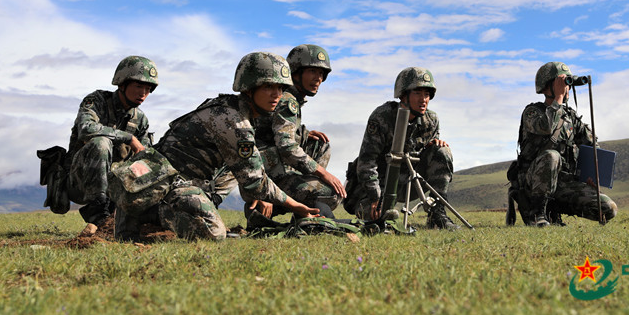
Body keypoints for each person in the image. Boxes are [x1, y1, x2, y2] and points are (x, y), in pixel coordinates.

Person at [141, 52, 319, 241]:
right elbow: (255, 181)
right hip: (164, 186)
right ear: (250, 88)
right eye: (268, 86)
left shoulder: (235, 110)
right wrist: (296, 206)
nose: (277, 94)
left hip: (184, 180)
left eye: (281, 88)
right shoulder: (234, 121)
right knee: (214, 233)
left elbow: (249, 171)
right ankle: (149, 215)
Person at [344, 67, 459, 230]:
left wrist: (436, 147)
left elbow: (431, 151)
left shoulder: (431, 120)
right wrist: (375, 196)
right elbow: (367, 161)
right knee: (377, 221)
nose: (423, 99)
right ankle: (377, 206)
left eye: (427, 94)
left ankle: (437, 214)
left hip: (411, 182)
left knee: (443, 151)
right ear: (403, 95)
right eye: (418, 93)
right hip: (381, 183)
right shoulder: (382, 117)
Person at [510, 61, 618, 227]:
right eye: (561, 83)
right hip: (533, 185)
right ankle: (538, 214)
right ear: (547, 86)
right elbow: (546, 127)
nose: (567, 88)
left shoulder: (570, 117)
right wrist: (558, 99)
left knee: (608, 208)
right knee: (552, 156)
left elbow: (592, 145)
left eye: (567, 84)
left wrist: (593, 175)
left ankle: (554, 213)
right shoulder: (532, 112)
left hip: (562, 185)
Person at [67, 55, 158, 236]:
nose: (143, 94)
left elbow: (145, 156)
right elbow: (86, 129)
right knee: (101, 142)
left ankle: (122, 217)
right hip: (80, 179)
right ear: (122, 84)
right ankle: (98, 213)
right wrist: (128, 138)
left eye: (148, 89)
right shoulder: (96, 101)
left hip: (116, 184)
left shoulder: (140, 119)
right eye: (139, 86)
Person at [252, 44, 346, 218]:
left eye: (321, 74)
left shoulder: (288, 97)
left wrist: (303, 133)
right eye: (312, 71)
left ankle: (294, 202)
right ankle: (273, 204)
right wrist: (325, 174)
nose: (318, 78)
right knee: (332, 194)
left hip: (271, 165)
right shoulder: (287, 100)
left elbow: (275, 128)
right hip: (267, 170)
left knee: (320, 145)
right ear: (295, 72)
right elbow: (286, 146)